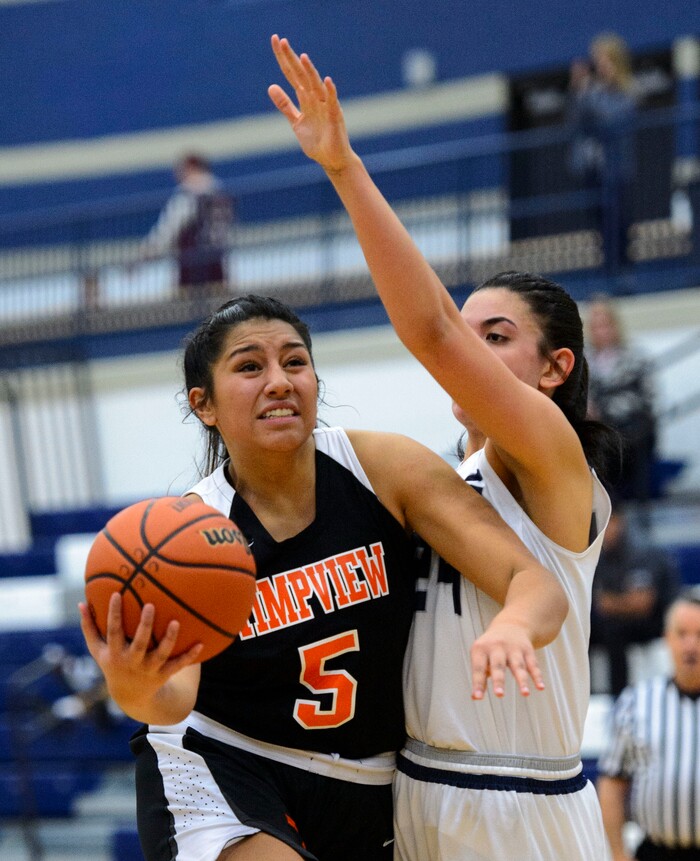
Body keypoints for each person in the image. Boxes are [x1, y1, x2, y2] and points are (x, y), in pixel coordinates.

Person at [268, 34, 620, 860]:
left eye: (494, 336)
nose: (467, 348)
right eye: (469, 333)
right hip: (415, 791)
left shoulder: (557, 461)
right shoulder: (430, 478)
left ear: (554, 367)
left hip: (524, 801)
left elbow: (426, 327)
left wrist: (345, 170)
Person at [79, 293, 568, 861]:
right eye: (249, 366)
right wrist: (131, 684)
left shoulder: (385, 469)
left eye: (294, 362)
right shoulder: (194, 535)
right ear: (203, 405)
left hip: (370, 780)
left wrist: (515, 624)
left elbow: (534, 581)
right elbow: (172, 702)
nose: (280, 381)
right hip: (225, 760)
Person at [597, 588, 700, 860]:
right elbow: (612, 784)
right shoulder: (638, 702)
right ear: (667, 638)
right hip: (655, 852)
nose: (691, 646)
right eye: (682, 634)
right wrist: (619, 854)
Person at [590, 503, 680, 696]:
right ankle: (584, 695)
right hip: (620, 619)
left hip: (657, 620)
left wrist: (608, 603)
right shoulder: (601, 553)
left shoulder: (640, 550)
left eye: (607, 523)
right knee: (585, 629)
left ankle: (619, 696)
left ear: (618, 521)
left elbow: (642, 604)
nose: (603, 530)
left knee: (614, 630)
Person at [566, 33, 638, 272]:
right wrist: (578, 91)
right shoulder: (593, 92)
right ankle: (610, 270)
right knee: (599, 222)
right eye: (597, 60)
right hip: (593, 169)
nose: (600, 66)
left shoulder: (627, 92)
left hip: (616, 168)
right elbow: (577, 124)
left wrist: (586, 95)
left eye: (605, 60)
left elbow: (612, 120)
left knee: (617, 222)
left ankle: (621, 273)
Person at [586, 294, 658, 507]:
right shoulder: (583, 361)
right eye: (596, 326)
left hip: (632, 427)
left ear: (615, 325)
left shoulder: (636, 357)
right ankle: (608, 513)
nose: (602, 331)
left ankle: (640, 508)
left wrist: (608, 407)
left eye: (605, 325)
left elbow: (650, 398)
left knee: (635, 434)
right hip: (600, 429)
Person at [143, 152, 233, 298]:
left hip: (191, 264)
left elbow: (169, 229)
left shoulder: (187, 194)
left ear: (191, 167)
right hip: (216, 261)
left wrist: (148, 253)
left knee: (190, 310)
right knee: (219, 308)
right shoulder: (220, 192)